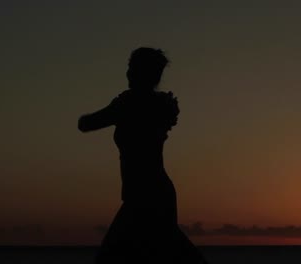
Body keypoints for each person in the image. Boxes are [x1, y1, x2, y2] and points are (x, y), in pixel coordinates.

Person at [78, 47, 208, 263]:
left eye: (131, 69)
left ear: (142, 73)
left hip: (144, 197)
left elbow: (87, 124)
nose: (128, 74)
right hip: (155, 194)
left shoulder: (128, 103)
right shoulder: (160, 103)